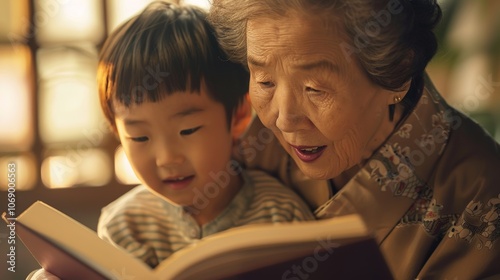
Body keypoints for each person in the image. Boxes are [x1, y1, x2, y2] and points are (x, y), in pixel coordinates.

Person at [208, 0, 500, 279]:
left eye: (314, 88)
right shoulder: (243, 140)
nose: (283, 119)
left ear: (396, 73)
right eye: (265, 81)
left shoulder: (480, 194)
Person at [27, 2, 315, 279]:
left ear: (239, 115)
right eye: (139, 136)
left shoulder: (281, 215)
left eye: (188, 130)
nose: (167, 158)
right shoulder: (124, 226)